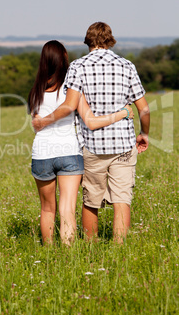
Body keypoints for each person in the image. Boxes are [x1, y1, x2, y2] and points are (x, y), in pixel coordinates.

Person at [32, 23, 150, 243]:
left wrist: (42, 122)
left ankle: (89, 245)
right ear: (110, 40)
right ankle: (119, 248)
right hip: (122, 144)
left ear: (88, 42)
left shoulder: (75, 68)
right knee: (122, 199)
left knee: (90, 200)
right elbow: (143, 108)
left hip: (91, 146)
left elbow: (71, 107)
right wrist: (143, 131)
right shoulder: (127, 65)